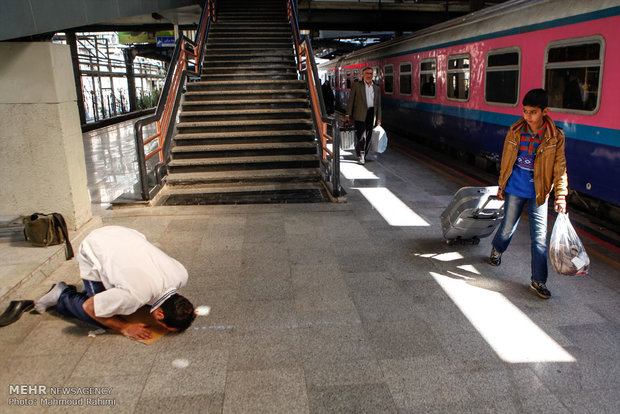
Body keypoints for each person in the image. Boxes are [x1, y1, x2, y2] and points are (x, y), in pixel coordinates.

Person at [35, 226, 196, 340]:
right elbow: (90, 307)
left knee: (128, 304)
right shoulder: (135, 295)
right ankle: (62, 295)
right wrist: (124, 328)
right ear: (160, 314)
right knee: (105, 317)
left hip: (121, 233)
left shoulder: (182, 275)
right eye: (163, 326)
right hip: (94, 247)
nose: (160, 328)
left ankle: (106, 291)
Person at [488, 88, 568, 299]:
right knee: (507, 227)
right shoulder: (515, 131)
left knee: (540, 238)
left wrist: (561, 195)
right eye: (525, 111)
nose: (527, 116)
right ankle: (497, 247)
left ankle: (538, 280)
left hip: (539, 193)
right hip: (515, 188)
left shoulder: (555, 136)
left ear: (545, 111)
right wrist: (501, 186)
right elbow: (506, 160)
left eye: (533, 112)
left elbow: (560, 168)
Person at [344, 66, 382, 164]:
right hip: (359, 113)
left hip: (371, 113)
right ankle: (361, 154)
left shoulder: (376, 88)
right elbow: (351, 100)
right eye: (367, 73)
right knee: (361, 136)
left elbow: (378, 104)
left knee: (369, 136)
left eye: (370, 74)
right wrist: (347, 114)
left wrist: (379, 118)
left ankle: (363, 154)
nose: (369, 76)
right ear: (363, 75)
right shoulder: (357, 86)